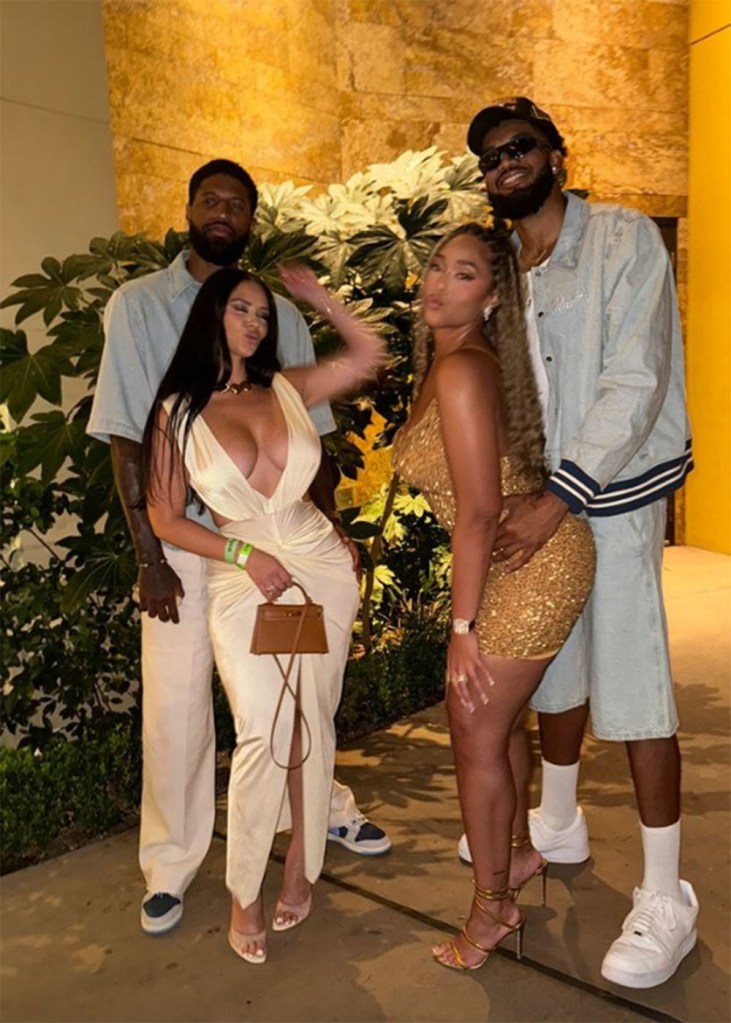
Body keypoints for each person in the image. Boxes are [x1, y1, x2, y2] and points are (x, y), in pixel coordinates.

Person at [87, 159, 390, 939]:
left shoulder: (277, 320)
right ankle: (174, 862)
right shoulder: (140, 306)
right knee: (185, 710)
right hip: (197, 538)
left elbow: (311, 433)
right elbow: (128, 435)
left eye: (239, 204)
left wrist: (330, 530)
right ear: (187, 207)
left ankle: (313, 825)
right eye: (212, 199)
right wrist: (151, 557)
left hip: (293, 543)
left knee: (305, 705)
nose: (224, 211)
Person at [464, 96, 697, 989]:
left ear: (556, 153)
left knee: (633, 681)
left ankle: (666, 893)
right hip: (538, 502)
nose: (504, 164)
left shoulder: (624, 238)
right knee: (551, 664)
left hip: (612, 496)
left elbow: (636, 377)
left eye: (518, 147)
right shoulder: (506, 269)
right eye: (489, 158)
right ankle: (555, 821)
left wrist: (560, 496)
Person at [139, 263, 384, 963]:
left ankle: (301, 861)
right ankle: (244, 889)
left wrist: (317, 297)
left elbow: (367, 354)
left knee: (312, 719)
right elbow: (163, 516)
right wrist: (242, 555)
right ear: (211, 314)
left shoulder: (286, 387)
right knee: (261, 728)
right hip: (248, 573)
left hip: (320, 568)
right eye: (241, 309)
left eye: (263, 314)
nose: (254, 322)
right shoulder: (177, 411)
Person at [392, 222, 595, 971]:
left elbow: (477, 510)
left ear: (493, 296)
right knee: (495, 721)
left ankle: (490, 910)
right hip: (510, 553)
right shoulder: (445, 361)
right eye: (438, 265)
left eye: (466, 273)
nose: (440, 282)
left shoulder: (460, 369)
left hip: (526, 562)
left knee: (472, 727)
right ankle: (510, 860)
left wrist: (461, 624)